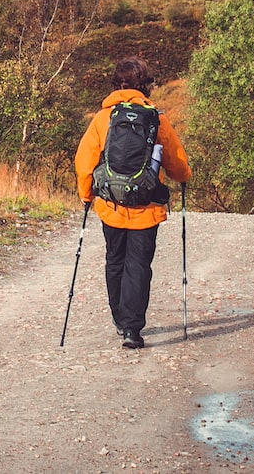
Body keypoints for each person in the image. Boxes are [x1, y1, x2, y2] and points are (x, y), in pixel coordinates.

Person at [74, 57, 192, 349]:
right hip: (147, 208)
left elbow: (84, 162)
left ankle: (118, 318)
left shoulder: (103, 119)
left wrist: (87, 194)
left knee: (115, 260)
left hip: (110, 206)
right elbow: (176, 163)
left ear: (116, 85)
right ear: (145, 86)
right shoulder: (156, 119)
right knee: (139, 265)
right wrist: (184, 176)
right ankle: (131, 328)